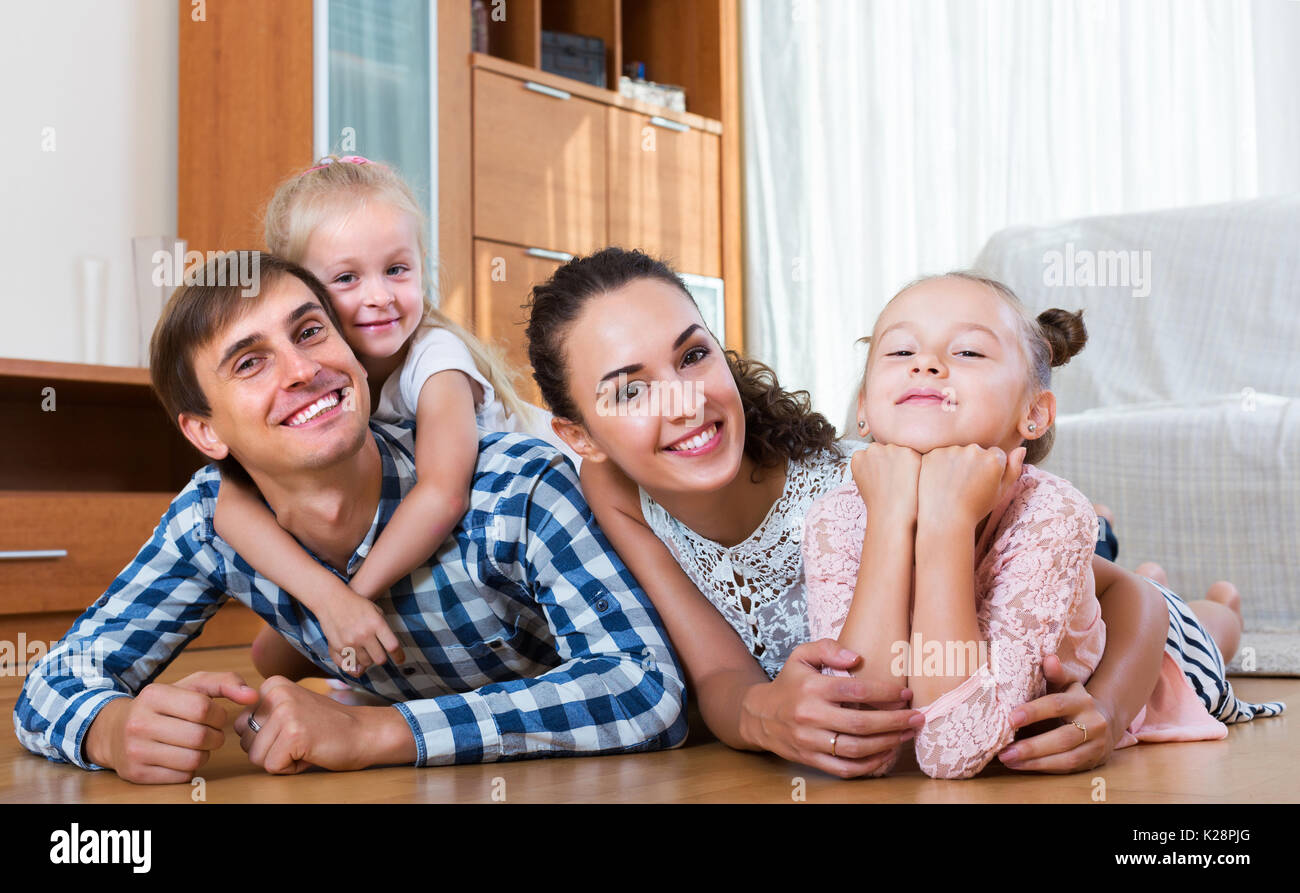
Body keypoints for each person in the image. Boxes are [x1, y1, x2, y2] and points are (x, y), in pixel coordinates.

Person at [13, 252, 685, 783]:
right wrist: (110, 727)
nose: (303, 369)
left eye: (310, 331)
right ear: (205, 433)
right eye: (250, 362)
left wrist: (377, 733)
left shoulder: (513, 486)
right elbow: (54, 679)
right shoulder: (206, 520)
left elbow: (644, 687)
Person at [525, 246, 1172, 779]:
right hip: (955, 666)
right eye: (631, 389)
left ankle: (1182, 585)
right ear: (578, 434)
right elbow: (720, 671)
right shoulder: (612, 487)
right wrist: (763, 714)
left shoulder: (859, 480)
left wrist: (1112, 711)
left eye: (694, 355)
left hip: (1018, 592)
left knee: (1176, 623)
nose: (686, 403)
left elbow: (1134, 600)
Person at [802, 272, 1284, 778]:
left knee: (1203, 634)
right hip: (1066, 609)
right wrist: (889, 519)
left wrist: (946, 522)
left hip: (1142, 651)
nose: (926, 365)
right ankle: (1127, 579)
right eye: (900, 352)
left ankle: (1221, 605)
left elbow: (949, 753)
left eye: (968, 352)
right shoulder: (833, 517)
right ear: (863, 407)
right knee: (1116, 583)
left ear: (1034, 413)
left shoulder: (1051, 511)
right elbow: (861, 731)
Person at [216, 155, 579, 680]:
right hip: (419, 535)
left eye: (397, 269)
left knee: (320, 644)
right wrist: (327, 602)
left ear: (422, 264)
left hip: (540, 520)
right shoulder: (314, 378)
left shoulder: (436, 358)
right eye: (346, 277)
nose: (380, 296)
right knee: (268, 657)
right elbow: (228, 509)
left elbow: (443, 494)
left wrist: (351, 596)